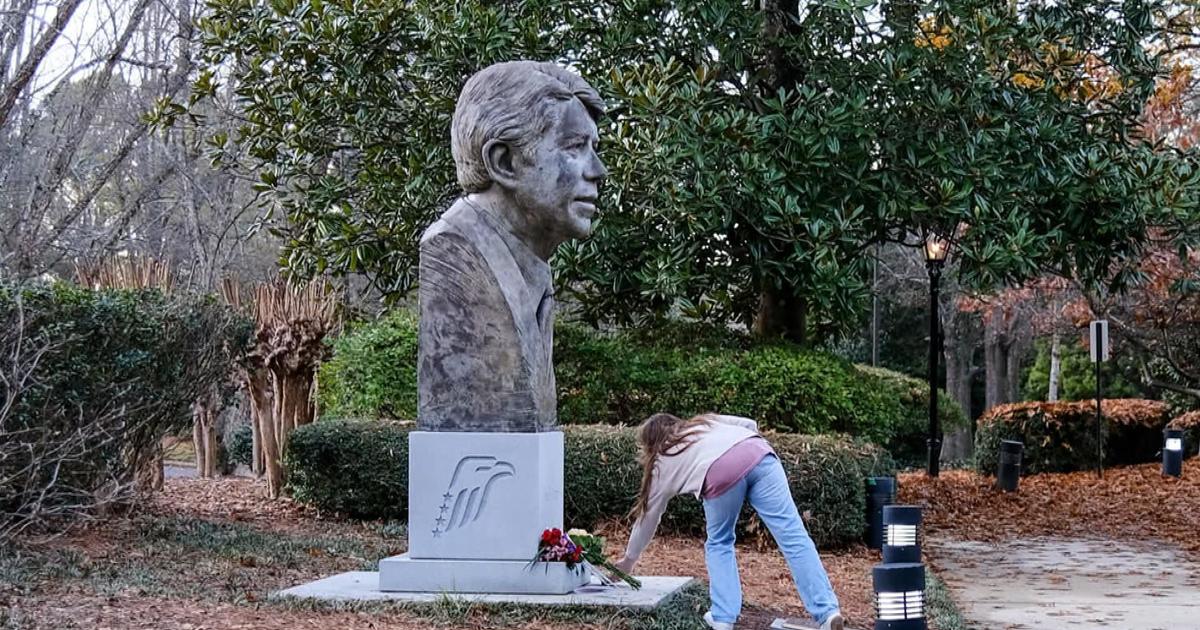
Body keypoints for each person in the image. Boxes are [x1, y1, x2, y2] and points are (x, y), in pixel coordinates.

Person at [613, 412, 845, 630]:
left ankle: (723, 617)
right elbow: (749, 425)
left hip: (720, 471)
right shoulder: (704, 422)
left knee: (720, 542)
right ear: (676, 424)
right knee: (794, 536)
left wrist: (629, 560)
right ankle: (828, 612)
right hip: (758, 453)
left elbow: (648, 518)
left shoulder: (661, 462)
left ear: (650, 443)